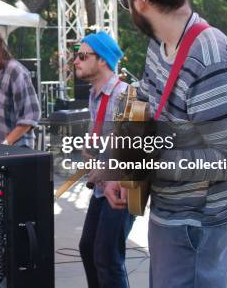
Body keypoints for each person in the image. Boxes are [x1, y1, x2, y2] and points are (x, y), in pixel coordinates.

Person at [106, 0, 227, 288]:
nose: (129, 10)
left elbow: (224, 159)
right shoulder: (161, 43)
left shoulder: (210, 58)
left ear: (139, 2)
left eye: (126, 3)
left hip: (200, 223)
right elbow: (144, 103)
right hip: (171, 213)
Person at [75, 31, 135, 288]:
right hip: (104, 187)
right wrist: (90, 154)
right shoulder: (95, 95)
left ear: (102, 60)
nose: (75, 61)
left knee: (107, 256)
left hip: (125, 185)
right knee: (88, 248)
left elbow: (136, 149)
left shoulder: (125, 95)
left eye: (82, 55)